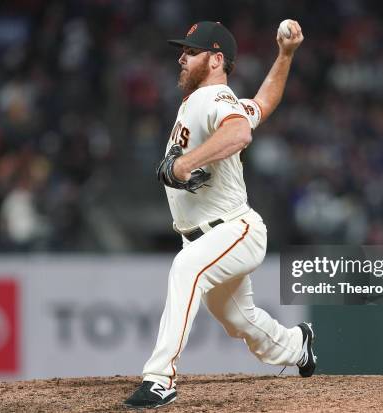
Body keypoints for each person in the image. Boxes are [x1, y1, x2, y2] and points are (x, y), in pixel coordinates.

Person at [124, 20, 313, 409]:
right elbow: (261, 104)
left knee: (186, 268)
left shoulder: (215, 98)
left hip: (235, 229)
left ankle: (160, 379)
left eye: (191, 52)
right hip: (208, 236)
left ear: (216, 59)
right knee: (238, 320)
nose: (182, 57)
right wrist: (286, 55)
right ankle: (297, 346)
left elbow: (239, 134)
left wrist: (181, 165)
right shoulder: (206, 102)